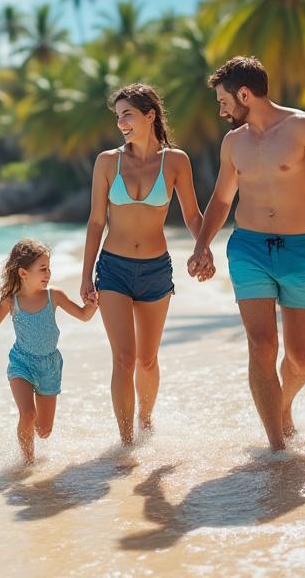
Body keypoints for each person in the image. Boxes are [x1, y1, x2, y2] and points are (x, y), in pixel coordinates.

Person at [187, 56, 305, 451]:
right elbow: (223, 199)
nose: (221, 108)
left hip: (298, 251)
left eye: (224, 100)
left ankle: (285, 404)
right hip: (248, 249)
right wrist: (202, 244)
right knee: (261, 346)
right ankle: (277, 446)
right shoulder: (233, 142)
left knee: (301, 359)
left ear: (245, 94)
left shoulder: (303, 128)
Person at [80, 83, 205, 445]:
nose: (121, 123)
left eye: (128, 114)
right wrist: (87, 276)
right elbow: (95, 222)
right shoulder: (107, 162)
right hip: (114, 268)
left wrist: (203, 248)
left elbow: (193, 216)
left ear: (150, 115)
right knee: (124, 357)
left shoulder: (176, 161)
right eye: (118, 116)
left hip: (155, 270)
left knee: (147, 360)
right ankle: (126, 443)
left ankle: (145, 421)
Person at [0, 239, 97, 463]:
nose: (48, 273)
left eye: (49, 268)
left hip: (49, 366)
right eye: (42, 269)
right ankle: (27, 462)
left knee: (44, 430)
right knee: (28, 414)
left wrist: (93, 304)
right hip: (21, 362)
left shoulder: (55, 296)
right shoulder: (11, 300)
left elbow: (84, 315)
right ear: (23, 273)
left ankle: (27, 435)